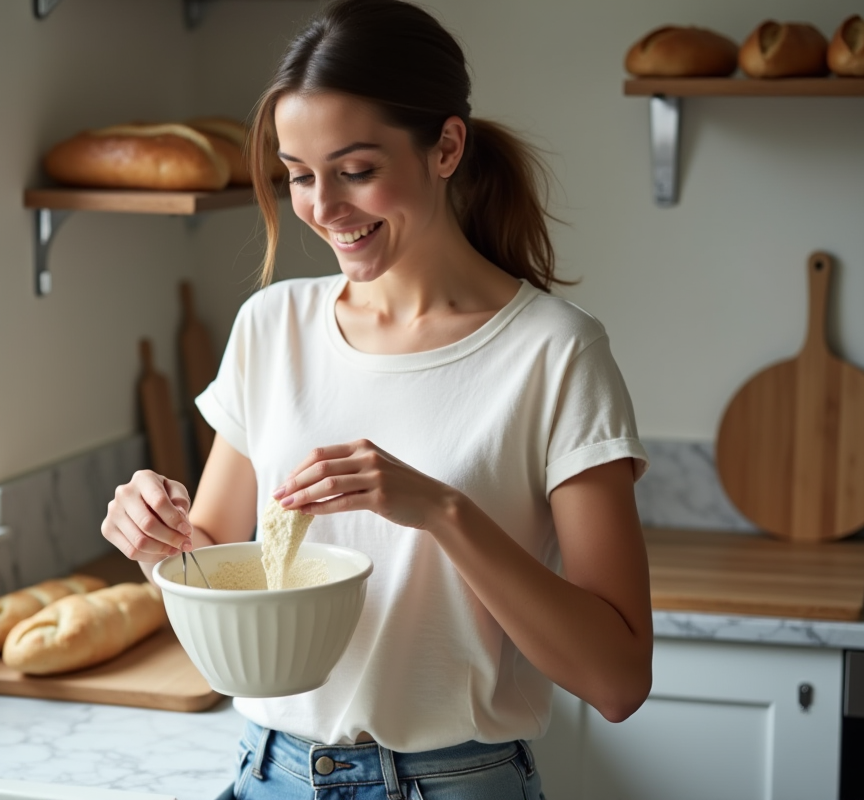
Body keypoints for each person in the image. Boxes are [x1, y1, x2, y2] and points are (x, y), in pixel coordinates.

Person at [101, 0, 653, 797]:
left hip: (457, 781)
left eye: (356, 170)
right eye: (298, 176)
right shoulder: (272, 326)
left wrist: (442, 510)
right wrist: (155, 538)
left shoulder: (556, 353)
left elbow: (618, 679)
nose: (323, 207)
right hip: (270, 772)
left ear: (446, 147)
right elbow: (213, 567)